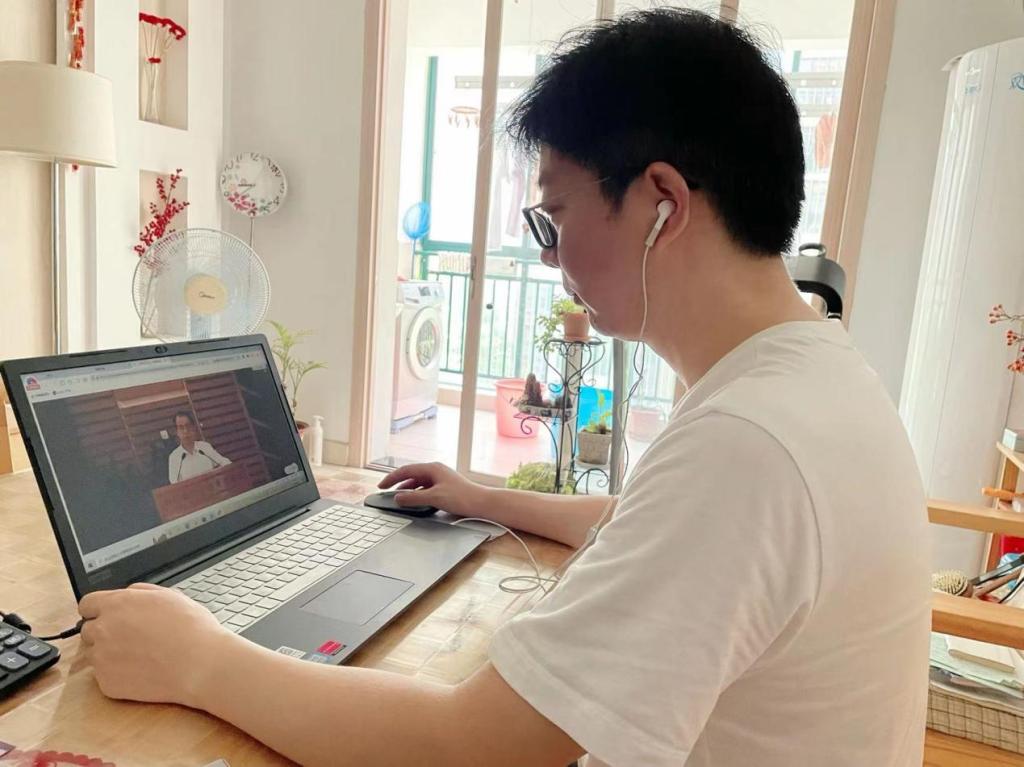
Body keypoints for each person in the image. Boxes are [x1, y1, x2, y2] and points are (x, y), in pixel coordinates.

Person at [77, 9, 930, 766]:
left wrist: (201, 659)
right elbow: (646, 521)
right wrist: (482, 498)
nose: (549, 258)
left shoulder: (745, 445)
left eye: (553, 217)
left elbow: (472, 747)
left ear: (662, 204)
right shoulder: (814, 378)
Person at [167, 411, 231, 484]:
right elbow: (174, 484)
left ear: (193, 428)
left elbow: (225, 463)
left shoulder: (205, 447)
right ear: (177, 432)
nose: (185, 431)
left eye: (188, 426)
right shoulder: (174, 457)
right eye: (181, 427)